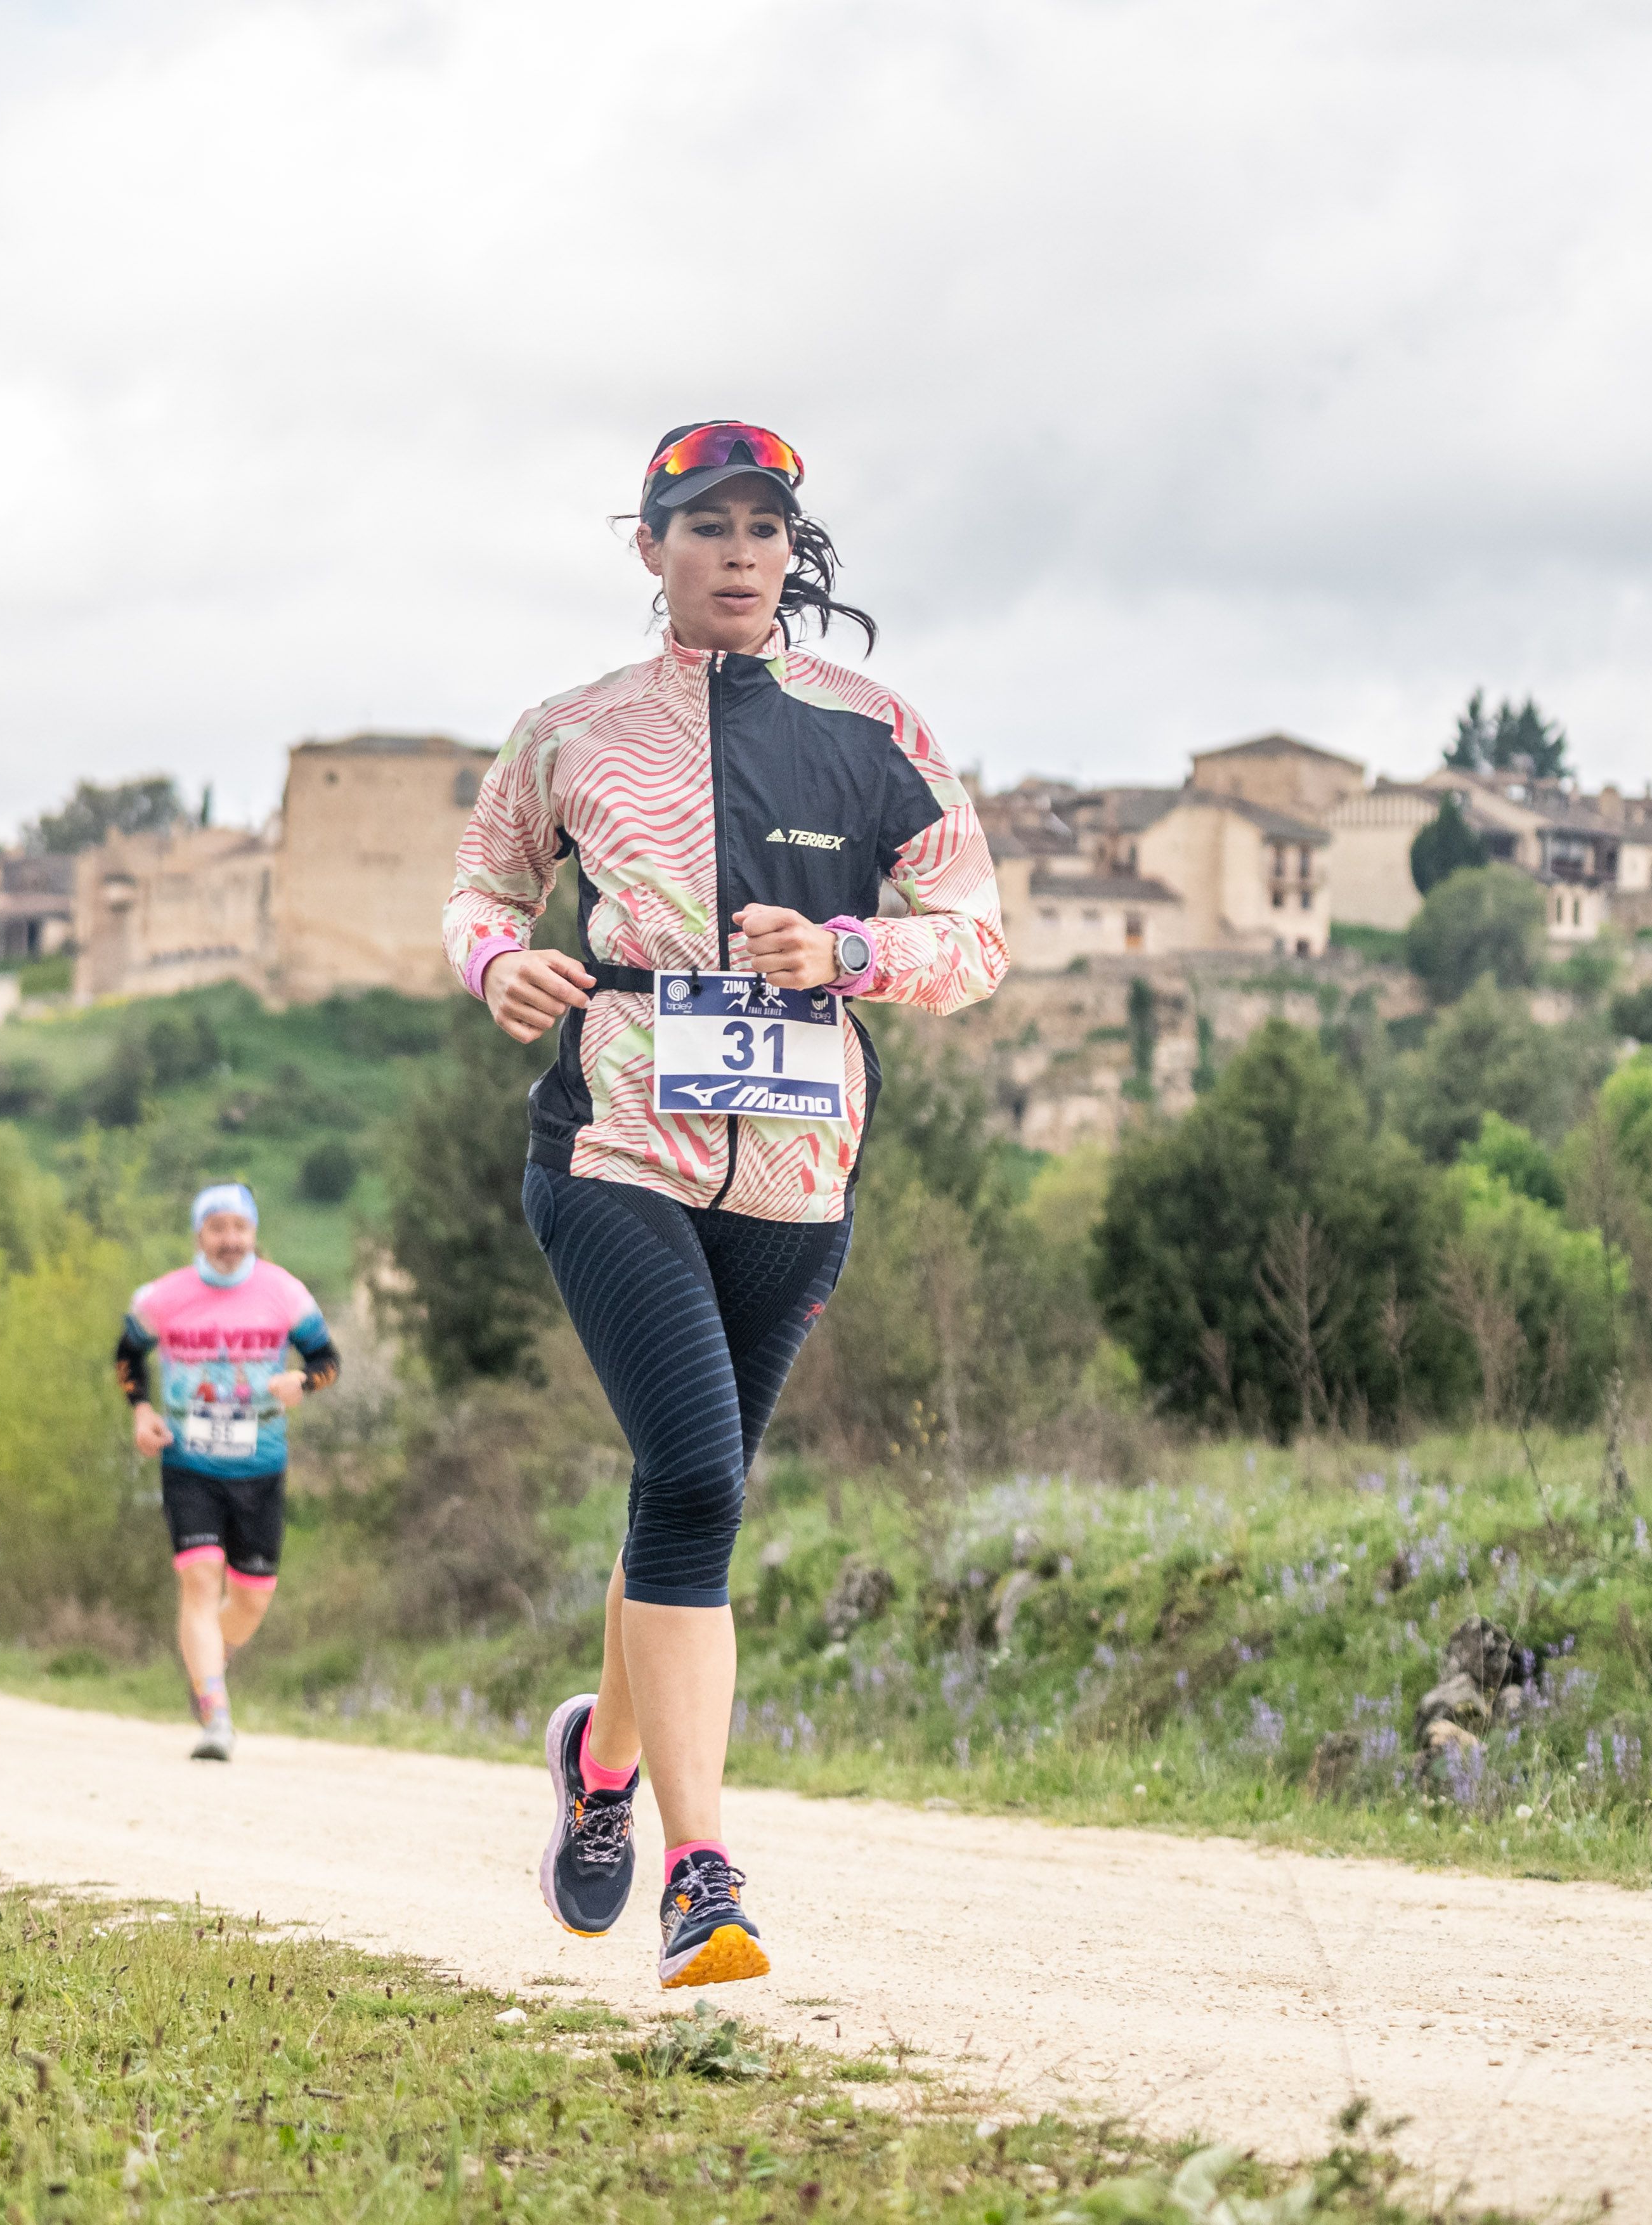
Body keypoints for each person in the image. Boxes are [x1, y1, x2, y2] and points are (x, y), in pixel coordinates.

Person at [445, 420, 1005, 1989]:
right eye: (708, 526)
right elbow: (481, 889)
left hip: (802, 1164)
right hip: (616, 1142)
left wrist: (855, 956)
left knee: (687, 1494)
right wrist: (502, 963)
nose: (742, 551)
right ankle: (704, 1873)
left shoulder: (876, 726)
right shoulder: (568, 730)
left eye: (766, 526)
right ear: (654, 551)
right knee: (692, 1470)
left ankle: (599, 1762)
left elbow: (975, 933)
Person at [115, 1181, 337, 1761]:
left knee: (253, 1597)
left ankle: (210, 1656)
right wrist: (142, 1410)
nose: (229, 1240)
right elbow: (127, 1354)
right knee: (199, 1576)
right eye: (217, 1228)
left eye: (239, 1228)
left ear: (254, 1232)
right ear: (199, 1234)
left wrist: (302, 1383)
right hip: (188, 1462)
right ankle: (215, 1712)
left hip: (261, 1465)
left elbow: (326, 1360)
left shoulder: (284, 1292)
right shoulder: (163, 1296)